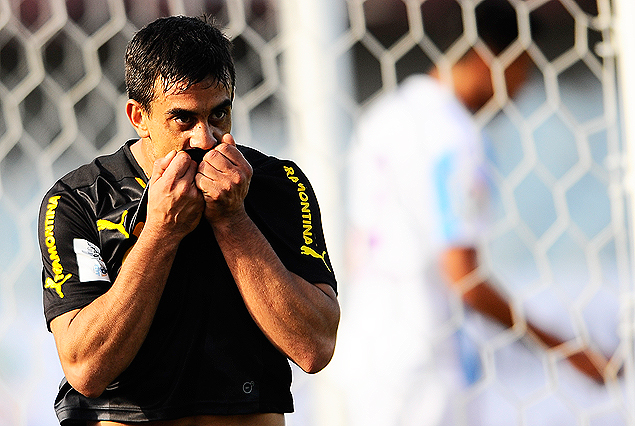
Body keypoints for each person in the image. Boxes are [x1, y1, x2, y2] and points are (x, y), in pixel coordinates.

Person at [37, 15, 340, 426]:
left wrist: (233, 220)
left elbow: (315, 346)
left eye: (219, 115)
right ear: (139, 116)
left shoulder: (278, 184)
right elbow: (85, 367)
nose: (205, 138)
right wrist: (161, 232)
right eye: (184, 119)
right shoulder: (79, 200)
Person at [330, 1, 610, 425]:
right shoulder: (455, 136)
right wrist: (565, 349)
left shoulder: (384, 115)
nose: (522, 87)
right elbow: (465, 278)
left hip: (366, 352)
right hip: (426, 368)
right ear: (489, 56)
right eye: (522, 68)